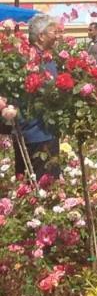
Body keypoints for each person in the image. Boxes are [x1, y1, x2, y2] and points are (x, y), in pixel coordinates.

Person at [13, 13, 62, 180]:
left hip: (47, 132)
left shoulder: (47, 59)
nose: (57, 36)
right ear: (41, 36)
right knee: (40, 187)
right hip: (35, 135)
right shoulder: (29, 61)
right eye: (53, 32)